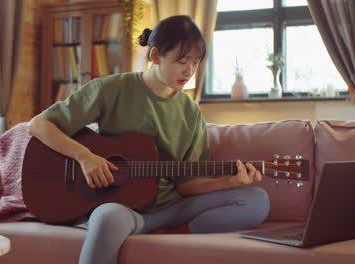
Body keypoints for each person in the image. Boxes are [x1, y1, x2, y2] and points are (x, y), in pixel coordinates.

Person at [28, 15, 269, 264]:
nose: (190, 71)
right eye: (182, 61)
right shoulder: (109, 89)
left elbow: (187, 185)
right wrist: (85, 157)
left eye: (196, 62)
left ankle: (174, 235)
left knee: (256, 200)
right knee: (106, 217)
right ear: (155, 56)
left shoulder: (190, 111)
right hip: (124, 208)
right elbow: (39, 125)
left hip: (173, 210)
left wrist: (229, 182)